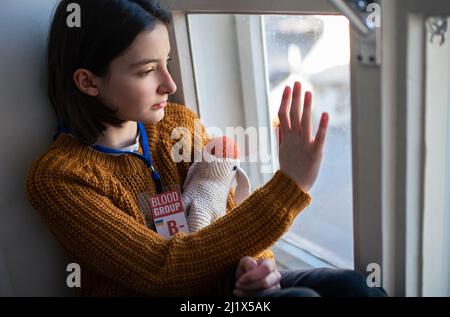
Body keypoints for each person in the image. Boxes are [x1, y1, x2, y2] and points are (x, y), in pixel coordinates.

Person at [26, 0, 386, 297]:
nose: (169, 83)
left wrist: (258, 265)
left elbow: (225, 211)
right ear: (88, 81)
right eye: (147, 70)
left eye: (166, 63)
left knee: (354, 287)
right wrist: (289, 186)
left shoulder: (177, 125)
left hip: (223, 286)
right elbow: (163, 270)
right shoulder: (59, 177)